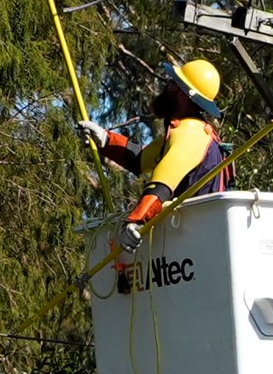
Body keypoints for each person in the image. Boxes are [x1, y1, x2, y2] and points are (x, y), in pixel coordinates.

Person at [80, 58, 232, 274]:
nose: (166, 86)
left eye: (172, 83)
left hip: (193, 240)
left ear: (181, 93)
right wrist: (104, 139)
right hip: (198, 239)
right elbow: (140, 159)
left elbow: (162, 184)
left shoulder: (189, 133)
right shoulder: (194, 132)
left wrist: (136, 221)